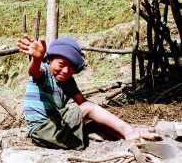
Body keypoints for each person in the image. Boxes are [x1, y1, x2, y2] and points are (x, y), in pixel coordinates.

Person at [17, 36, 161, 150]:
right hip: (42, 131)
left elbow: (82, 102)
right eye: (61, 64)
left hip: (57, 130)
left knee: (97, 122)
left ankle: (128, 137)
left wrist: (98, 118)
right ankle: (131, 133)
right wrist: (36, 59)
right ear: (49, 60)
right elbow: (34, 71)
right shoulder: (44, 72)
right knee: (89, 108)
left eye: (71, 67)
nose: (66, 71)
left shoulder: (68, 82)